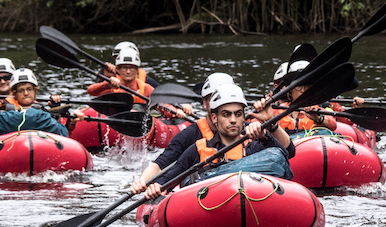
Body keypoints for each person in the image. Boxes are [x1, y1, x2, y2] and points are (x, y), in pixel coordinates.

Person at [142, 84, 295, 199]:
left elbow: (286, 156)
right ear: (214, 118)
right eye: (226, 114)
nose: (233, 120)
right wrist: (155, 187)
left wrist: (267, 131)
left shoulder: (256, 144)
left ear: (243, 117)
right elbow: (170, 177)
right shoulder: (198, 149)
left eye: (238, 114)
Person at [128, 72, 234, 194]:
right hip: (200, 192)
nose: (219, 105)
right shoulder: (190, 135)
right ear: (204, 103)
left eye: (225, 101)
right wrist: (142, 181)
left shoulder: (246, 132)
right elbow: (162, 162)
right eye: (214, 100)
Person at [0, 68, 75, 140]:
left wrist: (56, 109)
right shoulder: (2, 111)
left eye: (29, 89)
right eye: (21, 90)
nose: (26, 93)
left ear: (34, 91)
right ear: (14, 94)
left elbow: (62, 136)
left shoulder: (44, 111)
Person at [88, 47, 153, 104]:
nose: (128, 71)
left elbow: (162, 106)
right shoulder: (112, 86)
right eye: (124, 68)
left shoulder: (146, 88)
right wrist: (106, 85)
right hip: (116, 116)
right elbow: (90, 91)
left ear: (137, 70)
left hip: (139, 117)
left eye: (131, 68)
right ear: (118, 69)